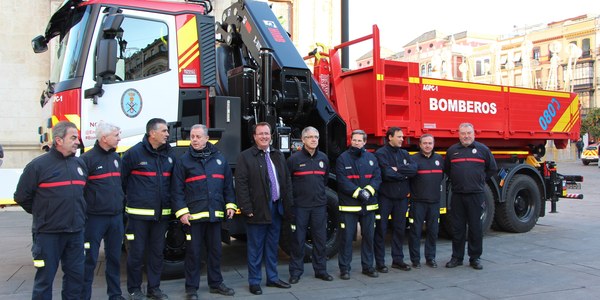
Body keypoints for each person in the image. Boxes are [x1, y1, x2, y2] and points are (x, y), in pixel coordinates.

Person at [14, 121, 87, 299]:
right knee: (44, 281)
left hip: (75, 233)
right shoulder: (38, 166)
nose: (78, 141)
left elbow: (82, 194)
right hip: (48, 234)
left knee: (76, 278)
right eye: (73, 137)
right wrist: (44, 212)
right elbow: (22, 196)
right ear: (58, 140)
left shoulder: (80, 164)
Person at [171, 124, 237, 300]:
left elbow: (228, 187)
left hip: (215, 216)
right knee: (193, 253)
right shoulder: (183, 161)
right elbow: (176, 190)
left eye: (198, 136)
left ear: (207, 138)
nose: (194, 139)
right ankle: (191, 289)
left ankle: (216, 284)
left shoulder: (220, 159)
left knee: (216, 251)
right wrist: (182, 213)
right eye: (192, 136)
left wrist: (230, 205)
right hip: (193, 218)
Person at [235, 122, 293, 295]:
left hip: (276, 207)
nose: (264, 137)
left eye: (267, 134)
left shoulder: (278, 155)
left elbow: (286, 181)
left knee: (272, 245)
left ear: (271, 136)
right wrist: (246, 208)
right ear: (254, 136)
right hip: (257, 209)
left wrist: (288, 205)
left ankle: (273, 278)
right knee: (255, 248)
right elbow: (241, 184)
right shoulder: (245, 157)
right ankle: (254, 282)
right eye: (260, 134)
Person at [122, 118, 176, 300]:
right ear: (152, 133)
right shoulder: (133, 154)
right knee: (136, 255)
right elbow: (121, 182)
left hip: (161, 217)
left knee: (157, 254)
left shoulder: (170, 154)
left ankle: (154, 288)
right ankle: (134, 289)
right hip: (138, 217)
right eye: (164, 131)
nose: (167, 134)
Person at [81, 122, 126, 300]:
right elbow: (80, 190)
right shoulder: (87, 159)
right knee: (89, 260)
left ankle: (115, 295)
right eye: (116, 135)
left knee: (114, 259)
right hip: (94, 219)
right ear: (104, 138)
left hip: (115, 218)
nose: (119, 138)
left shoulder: (116, 158)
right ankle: (84, 296)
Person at [445, 123, 497, 270]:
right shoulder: (452, 151)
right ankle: (457, 257)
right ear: (458, 134)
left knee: (475, 228)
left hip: (476, 195)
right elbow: (448, 170)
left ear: (474, 134)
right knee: (458, 228)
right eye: (463, 133)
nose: (466, 136)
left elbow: (491, 168)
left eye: (468, 133)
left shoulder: (483, 150)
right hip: (458, 195)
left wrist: (479, 180)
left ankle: (475, 258)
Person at [287, 126, 333, 284]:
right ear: (303, 140)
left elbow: (324, 180)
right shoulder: (294, 160)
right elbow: (288, 184)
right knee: (298, 241)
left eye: (316, 137)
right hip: (300, 207)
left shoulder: (323, 159)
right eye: (310, 137)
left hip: (319, 207)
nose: (314, 140)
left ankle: (321, 270)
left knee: (320, 239)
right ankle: (295, 272)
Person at [336, 129, 382, 280]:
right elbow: (342, 181)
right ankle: (344, 269)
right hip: (349, 206)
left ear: (364, 142)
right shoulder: (343, 158)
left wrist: (368, 191)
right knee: (346, 239)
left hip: (368, 206)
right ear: (351, 141)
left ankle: (368, 267)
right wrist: (358, 192)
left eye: (359, 140)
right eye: (354, 140)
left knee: (369, 238)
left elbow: (377, 177)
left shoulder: (371, 158)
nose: (356, 143)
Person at [373, 127, 417, 272]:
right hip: (385, 198)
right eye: (399, 137)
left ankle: (398, 260)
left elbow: (413, 169)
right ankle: (380, 262)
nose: (402, 139)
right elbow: (386, 173)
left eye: (402, 137)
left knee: (399, 229)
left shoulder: (404, 153)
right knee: (381, 229)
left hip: (402, 199)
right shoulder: (381, 153)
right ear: (390, 137)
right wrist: (403, 173)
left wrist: (398, 170)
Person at [408, 134, 444, 269]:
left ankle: (430, 258)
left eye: (430, 143)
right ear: (420, 144)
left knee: (433, 232)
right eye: (425, 143)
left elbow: (442, 177)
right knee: (415, 232)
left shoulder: (439, 159)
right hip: (418, 203)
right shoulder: (413, 159)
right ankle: (415, 260)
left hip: (434, 202)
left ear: (433, 144)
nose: (427, 145)